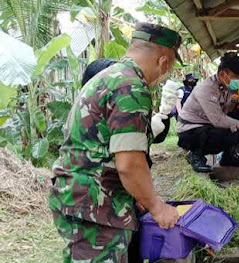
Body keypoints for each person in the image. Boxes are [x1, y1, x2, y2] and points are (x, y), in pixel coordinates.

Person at [48, 22, 182, 262]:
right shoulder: (131, 86)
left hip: (81, 198)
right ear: (163, 61)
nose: (165, 74)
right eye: (169, 66)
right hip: (96, 205)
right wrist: (157, 207)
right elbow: (129, 164)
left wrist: (140, 197)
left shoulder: (107, 77)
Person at [177, 52, 239, 173]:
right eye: (235, 76)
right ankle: (195, 155)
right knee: (225, 132)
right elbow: (219, 120)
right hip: (191, 131)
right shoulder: (207, 89)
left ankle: (229, 156)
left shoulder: (234, 89)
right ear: (222, 74)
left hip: (211, 126)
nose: (238, 80)